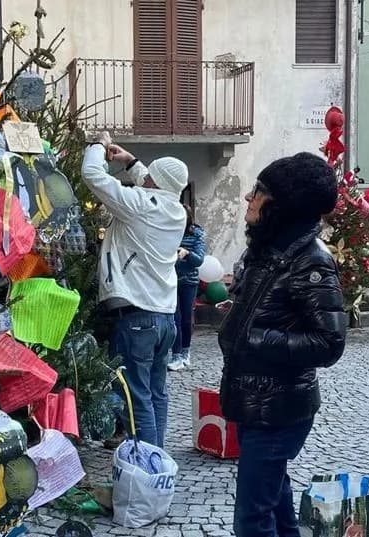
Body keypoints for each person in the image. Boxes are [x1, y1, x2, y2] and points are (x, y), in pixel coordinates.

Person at [218, 152, 347, 537]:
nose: (249, 198)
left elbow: (329, 342)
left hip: (279, 409)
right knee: (275, 501)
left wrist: (254, 337)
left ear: (281, 206)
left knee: (252, 521)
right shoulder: (269, 252)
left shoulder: (310, 262)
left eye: (259, 190)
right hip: (256, 401)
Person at [81, 131, 187, 448]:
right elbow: (153, 181)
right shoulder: (176, 210)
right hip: (165, 317)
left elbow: (92, 175)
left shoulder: (140, 204)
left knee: (135, 396)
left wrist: (98, 146)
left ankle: (146, 469)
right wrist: (131, 162)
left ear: (155, 181)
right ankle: (158, 458)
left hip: (137, 317)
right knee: (156, 393)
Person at [168, 205, 205, 371]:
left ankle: (185, 352)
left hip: (189, 281)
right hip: (171, 280)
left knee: (186, 318)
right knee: (174, 317)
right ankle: (176, 355)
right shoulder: (169, 230)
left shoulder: (196, 234)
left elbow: (199, 260)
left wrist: (187, 253)